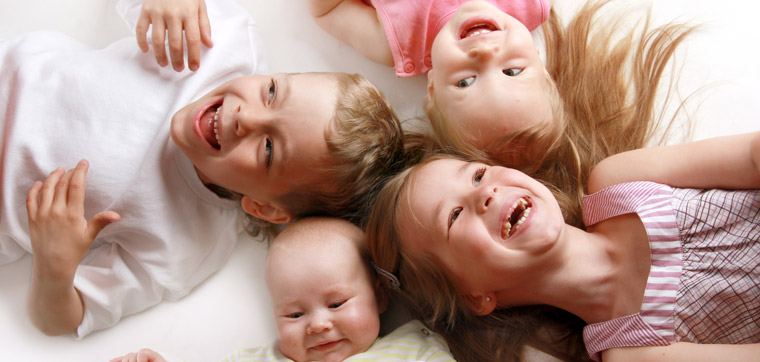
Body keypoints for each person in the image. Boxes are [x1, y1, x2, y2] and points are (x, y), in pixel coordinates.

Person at [0, 0, 406, 338]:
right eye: (271, 91)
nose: (246, 117)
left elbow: (57, 320)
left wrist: (56, 266)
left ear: (263, 207)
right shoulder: (221, 44)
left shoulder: (187, 246)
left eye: (268, 149)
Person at [364, 132, 760, 361]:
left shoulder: (619, 183)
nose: (486, 193)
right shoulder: (635, 353)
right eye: (452, 217)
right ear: (476, 297)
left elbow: (750, 156)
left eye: (478, 175)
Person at [310, 0, 696, 229]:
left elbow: (327, 11)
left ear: (432, 87)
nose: (484, 54)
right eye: (513, 72)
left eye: (464, 82)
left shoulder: (399, 42)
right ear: (544, 69)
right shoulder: (528, 6)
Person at [112, 217, 456, 362]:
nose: (318, 325)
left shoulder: (415, 347)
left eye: (336, 304)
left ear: (380, 295)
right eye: (295, 314)